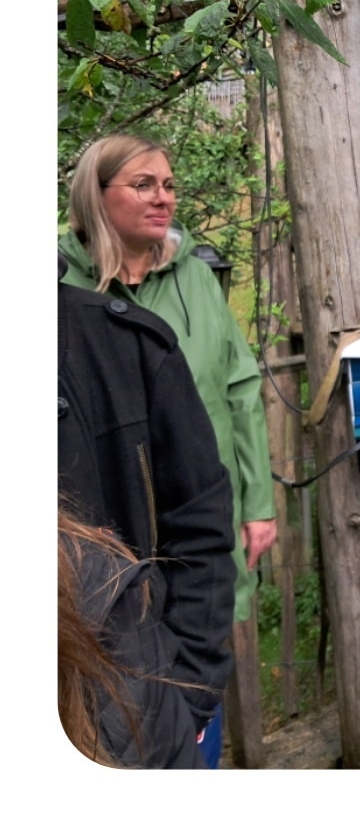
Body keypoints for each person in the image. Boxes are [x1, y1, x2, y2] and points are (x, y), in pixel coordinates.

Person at [61, 136, 272, 767]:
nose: (164, 197)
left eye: (169, 184)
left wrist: (256, 500)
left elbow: (239, 383)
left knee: (198, 647)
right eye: (144, 183)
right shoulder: (60, 287)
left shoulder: (197, 277)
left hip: (197, 513)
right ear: (96, 196)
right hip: (108, 530)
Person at [58, 281, 236, 766]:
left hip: (152, 698)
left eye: (169, 194)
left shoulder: (136, 335)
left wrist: (190, 694)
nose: (161, 199)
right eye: (141, 194)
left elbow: (241, 390)